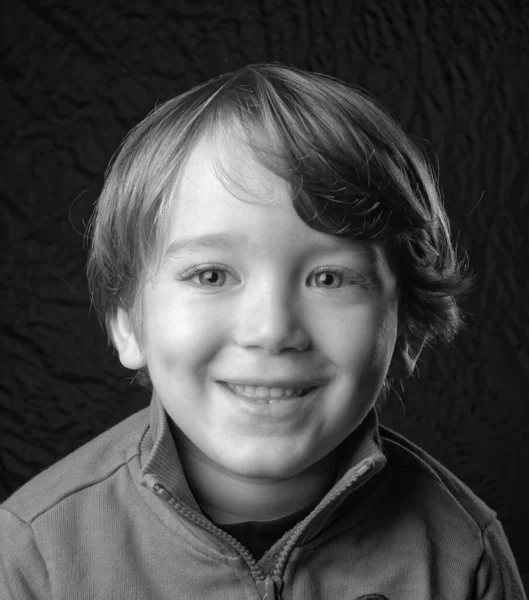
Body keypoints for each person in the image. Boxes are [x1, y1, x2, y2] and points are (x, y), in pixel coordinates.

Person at [0, 63, 525, 600]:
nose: (273, 331)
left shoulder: (463, 556)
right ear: (128, 323)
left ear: (408, 331)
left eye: (329, 278)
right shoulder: (35, 555)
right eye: (211, 275)